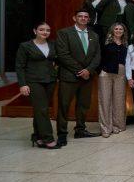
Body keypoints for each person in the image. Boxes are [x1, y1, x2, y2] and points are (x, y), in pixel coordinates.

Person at [55, 10, 101, 145]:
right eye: (80, 16)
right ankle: (62, 133)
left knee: (83, 105)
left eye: (86, 17)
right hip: (69, 76)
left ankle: (80, 130)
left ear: (89, 19)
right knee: (64, 105)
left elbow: (97, 56)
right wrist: (80, 70)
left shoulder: (94, 35)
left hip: (87, 77)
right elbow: (63, 55)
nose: (83, 18)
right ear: (74, 18)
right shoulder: (64, 33)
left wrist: (88, 70)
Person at [16, 21, 58, 149]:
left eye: (48, 30)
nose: (45, 32)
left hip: (50, 81)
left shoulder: (52, 44)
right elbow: (20, 66)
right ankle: (48, 138)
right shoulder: (25, 46)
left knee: (40, 110)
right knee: (42, 109)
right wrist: (22, 84)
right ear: (35, 31)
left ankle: (37, 136)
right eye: (41, 29)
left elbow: (57, 60)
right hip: (33, 81)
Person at [97, 23, 129, 137]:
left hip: (121, 74)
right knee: (105, 100)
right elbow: (98, 56)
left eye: (121, 29)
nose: (118, 30)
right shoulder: (105, 42)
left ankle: (117, 125)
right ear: (112, 30)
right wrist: (100, 70)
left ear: (123, 31)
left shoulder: (126, 44)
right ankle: (106, 128)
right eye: (116, 29)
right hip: (106, 73)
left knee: (119, 100)